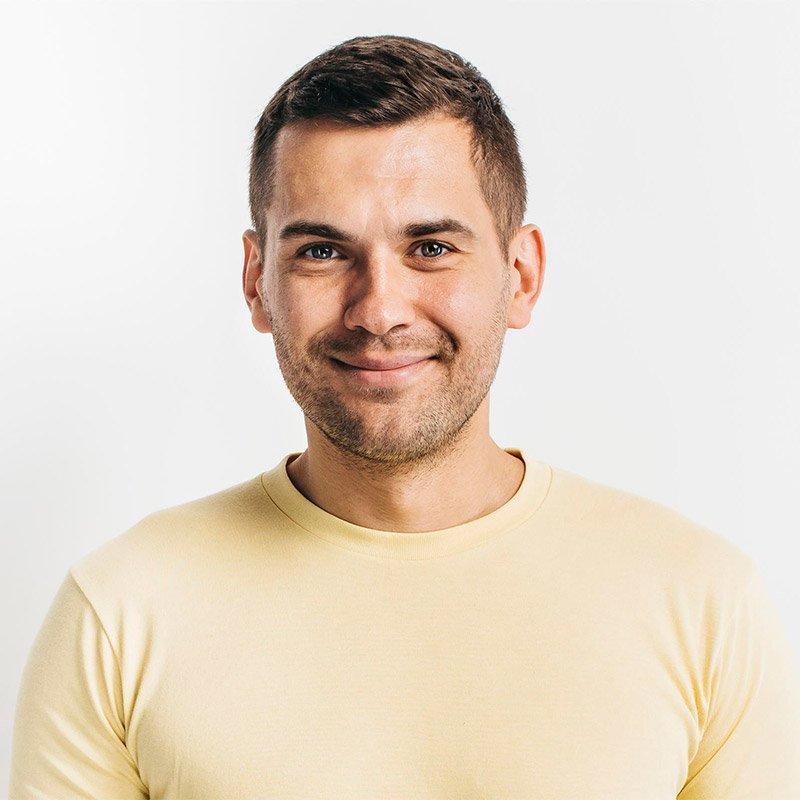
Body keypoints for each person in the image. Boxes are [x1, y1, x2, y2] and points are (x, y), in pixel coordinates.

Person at [9, 34, 800, 799]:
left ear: (521, 275)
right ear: (256, 282)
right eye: (322, 251)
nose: (379, 310)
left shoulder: (700, 601)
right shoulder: (120, 614)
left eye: (431, 248)